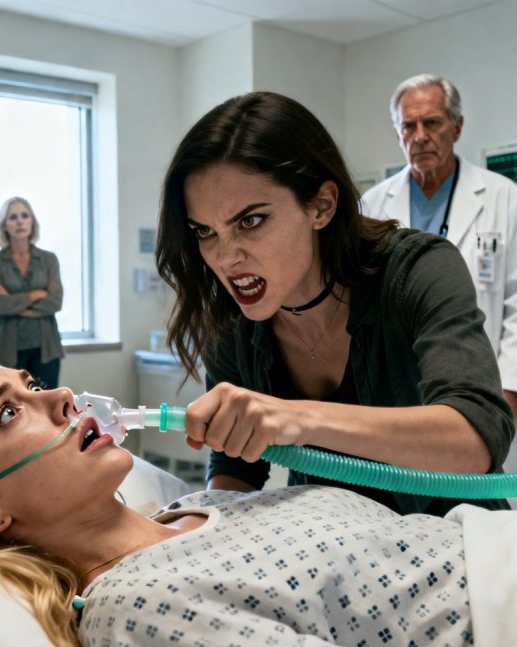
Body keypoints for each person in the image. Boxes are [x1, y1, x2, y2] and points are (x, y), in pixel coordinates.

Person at [0, 350, 509, 647]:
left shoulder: (200, 510)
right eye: (8, 413)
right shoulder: (136, 608)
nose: (60, 397)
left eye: (30, 385)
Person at [154, 91, 515, 517]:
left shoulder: (418, 269)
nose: (225, 257)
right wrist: (202, 531)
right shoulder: (232, 320)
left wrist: (298, 418)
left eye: (250, 221)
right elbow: (236, 466)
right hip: (339, 544)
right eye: (204, 231)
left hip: (458, 537)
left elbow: (476, 438)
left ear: (322, 206)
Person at [361, 74, 517, 435]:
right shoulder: (372, 205)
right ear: (398, 134)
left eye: (431, 123)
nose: (419, 136)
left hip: (481, 383)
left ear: (457, 127)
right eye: (408, 126)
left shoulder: (504, 198)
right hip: (395, 389)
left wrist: (509, 386)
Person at [0, 197, 64, 389]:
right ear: (4, 225)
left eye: (24, 216)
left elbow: (55, 301)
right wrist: (36, 295)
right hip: (7, 349)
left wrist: (15, 304)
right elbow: (0, 305)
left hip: (46, 348)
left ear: (32, 222)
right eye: (13, 217)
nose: (19, 221)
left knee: (46, 401)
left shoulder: (49, 259)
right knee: (11, 403)